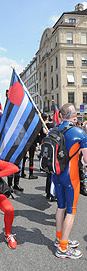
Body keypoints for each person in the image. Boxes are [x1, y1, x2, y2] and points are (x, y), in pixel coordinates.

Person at [52, 103, 87, 259]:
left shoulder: (53, 130)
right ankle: (63, 248)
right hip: (70, 177)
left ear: (61, 115)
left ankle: (59, 239)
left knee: (60, 207)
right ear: (74, 116)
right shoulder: (79, 132)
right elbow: (86, 159)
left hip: (56, 175)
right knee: (71, 211)